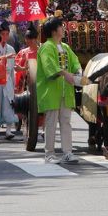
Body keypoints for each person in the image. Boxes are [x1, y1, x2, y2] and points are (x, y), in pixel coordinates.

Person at [36, 17, 81, 163]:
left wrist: (78, 72)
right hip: (51, 92)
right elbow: (50, 66)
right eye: (61, 26)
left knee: (66, 122)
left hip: (65, 92)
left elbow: (75, 62)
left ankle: (67, 152)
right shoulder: (46, 47)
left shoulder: (65, 47)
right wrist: (65, 73)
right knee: (51, 123)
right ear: (54, 31)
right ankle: (49, 154)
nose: (63, 29)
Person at [0, 25, 18, 140]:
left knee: (8, 104)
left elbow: (12, 70)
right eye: (2, 34)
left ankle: (8, 130)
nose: (5, 37)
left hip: (7, 80)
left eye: (7, 34)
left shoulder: (11, 49)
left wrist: (14, 84)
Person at [14, 23, 40, 139]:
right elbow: (17, 67)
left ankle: (39, 129)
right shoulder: (23, 52)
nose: (28, 41)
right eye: (27, 39)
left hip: (39, 83)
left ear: (36, 39)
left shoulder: (41, 52)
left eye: (31, 39)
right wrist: (23, 69)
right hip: (25, 83)